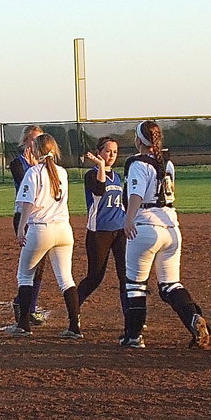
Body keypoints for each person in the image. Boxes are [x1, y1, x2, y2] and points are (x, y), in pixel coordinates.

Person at [120, 120, 211, 349]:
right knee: (170, 285)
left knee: (135, 285)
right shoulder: (166, 162)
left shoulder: (138, 163)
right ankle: (193, 317)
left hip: (145, 225)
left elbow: (136, 195)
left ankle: (133, 336)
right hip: (171, 226)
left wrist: (128, 218)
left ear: (139, 140)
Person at [7, 134, 81, 338]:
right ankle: (75, 326)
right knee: (66, 279)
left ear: (36, 151)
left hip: (41, 228)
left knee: (24, 276)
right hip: (64, 229)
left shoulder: (34, 173)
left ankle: (23, 325)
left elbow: (27, 204)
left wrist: (21, 228)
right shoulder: (62, 172)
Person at [75, 137, 128, 322]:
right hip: (99, 232)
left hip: (120, 231)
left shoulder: (117, 176)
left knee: (126, 276)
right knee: (95, 277)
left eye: (114, 151)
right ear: (99, 152)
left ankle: (132, 317)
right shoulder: (91, 175)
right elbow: (99, 190)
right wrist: (100, 166)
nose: (111, 155)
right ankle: (74, 310)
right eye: (107, 151)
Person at [10, 125, 46, 327]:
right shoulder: (18, 163)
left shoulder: (45, 164)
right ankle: (22, 304)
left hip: (41, 217)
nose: (36, 143)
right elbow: (26, 184)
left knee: (40, 267)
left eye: (40, 139)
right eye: (33, 139)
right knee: (29, 266)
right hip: (23, 217)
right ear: (25, 142)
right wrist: (34, 167)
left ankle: (29, 306)